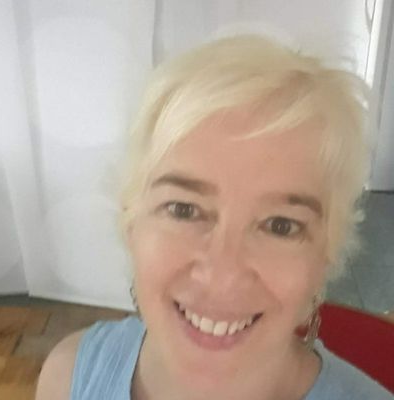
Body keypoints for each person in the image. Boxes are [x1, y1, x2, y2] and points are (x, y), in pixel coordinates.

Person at [36, 35, 394, 400]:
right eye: (184, 210)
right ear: (131, 224)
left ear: (326, 256)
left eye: (280, 226)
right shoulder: (67, 378)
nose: (222, 275)